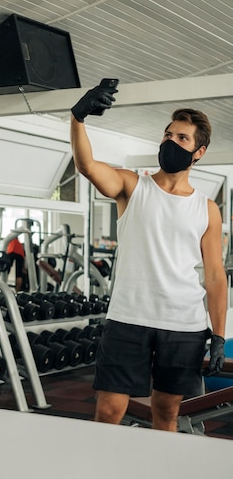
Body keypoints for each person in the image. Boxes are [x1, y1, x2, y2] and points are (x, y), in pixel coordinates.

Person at [70, 81, 227, 432]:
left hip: (182, 324)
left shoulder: (207, 209)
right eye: (168, 134)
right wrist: (78, 118)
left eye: (182, 138)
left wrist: (218, 334)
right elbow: (87, 165)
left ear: (199, 151)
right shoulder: (132, 186)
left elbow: (215, 275)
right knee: (109, 411)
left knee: (167, 412)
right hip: (129, 317)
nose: (170, 141)